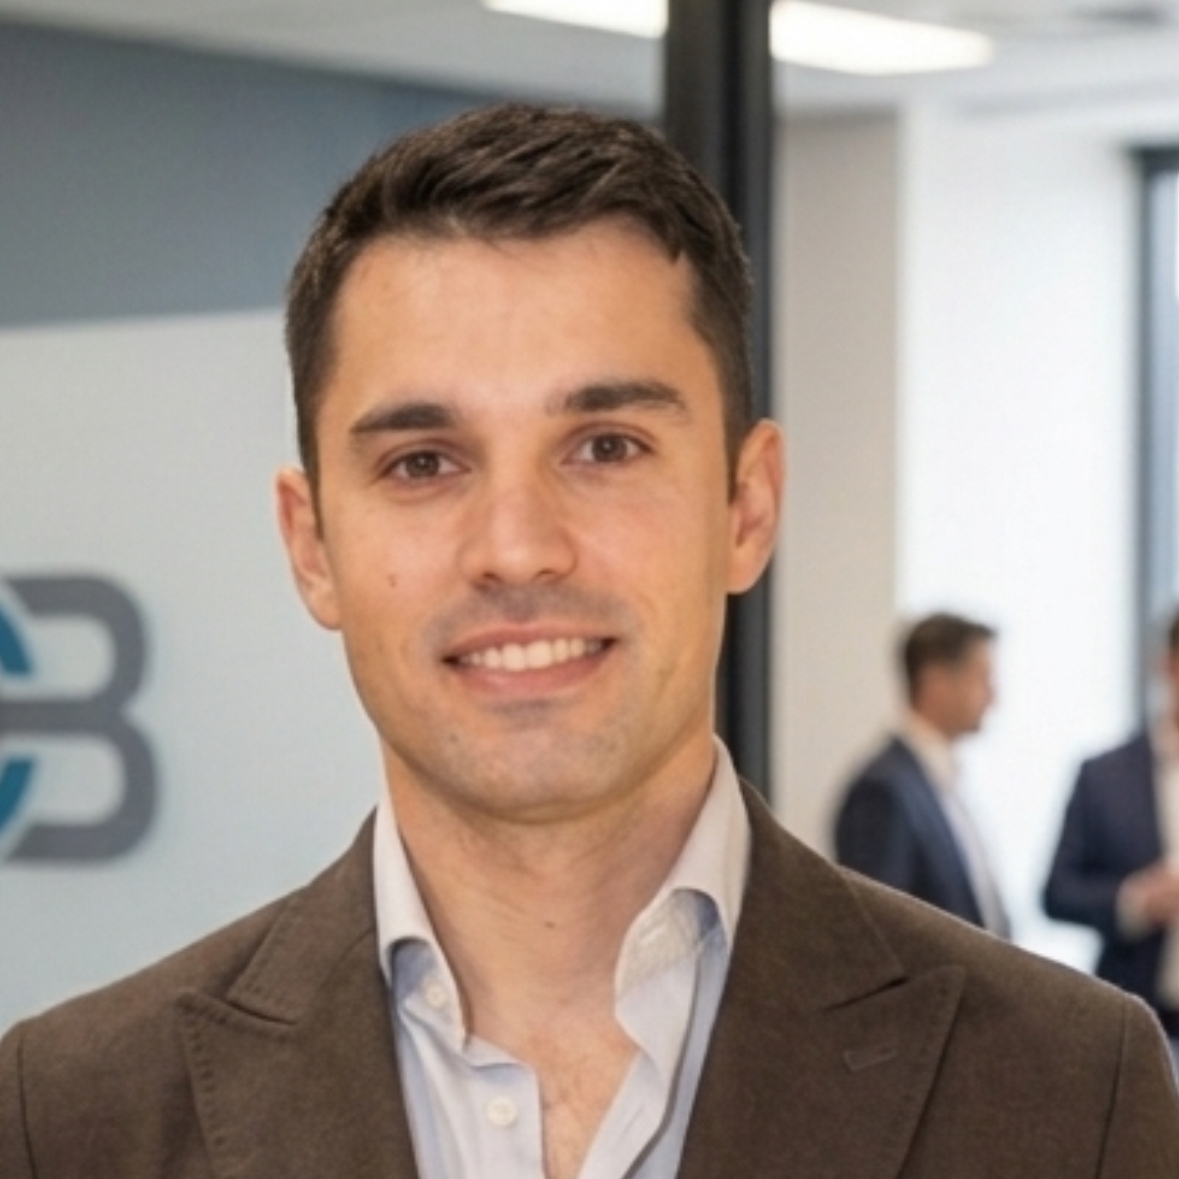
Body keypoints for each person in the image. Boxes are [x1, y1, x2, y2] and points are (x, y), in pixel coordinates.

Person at [2, 104, 1177, 1178]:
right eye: (423, 463)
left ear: (746, 506)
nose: (517, 549)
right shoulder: (70, 1119)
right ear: (312, 547)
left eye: (606, 447)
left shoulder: (1069, 1095)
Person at [1045, 609, 1179, 1047]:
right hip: (1135, 1022)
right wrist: (1134, 901)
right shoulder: (1103, 775)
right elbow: (1057, 892)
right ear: (1169, 665)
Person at [833, 612, 1009, 936]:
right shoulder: (883, 789)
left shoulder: (942, 779)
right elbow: (878, 931)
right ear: (936, 683)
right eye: (981, 678)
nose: (993, 698)